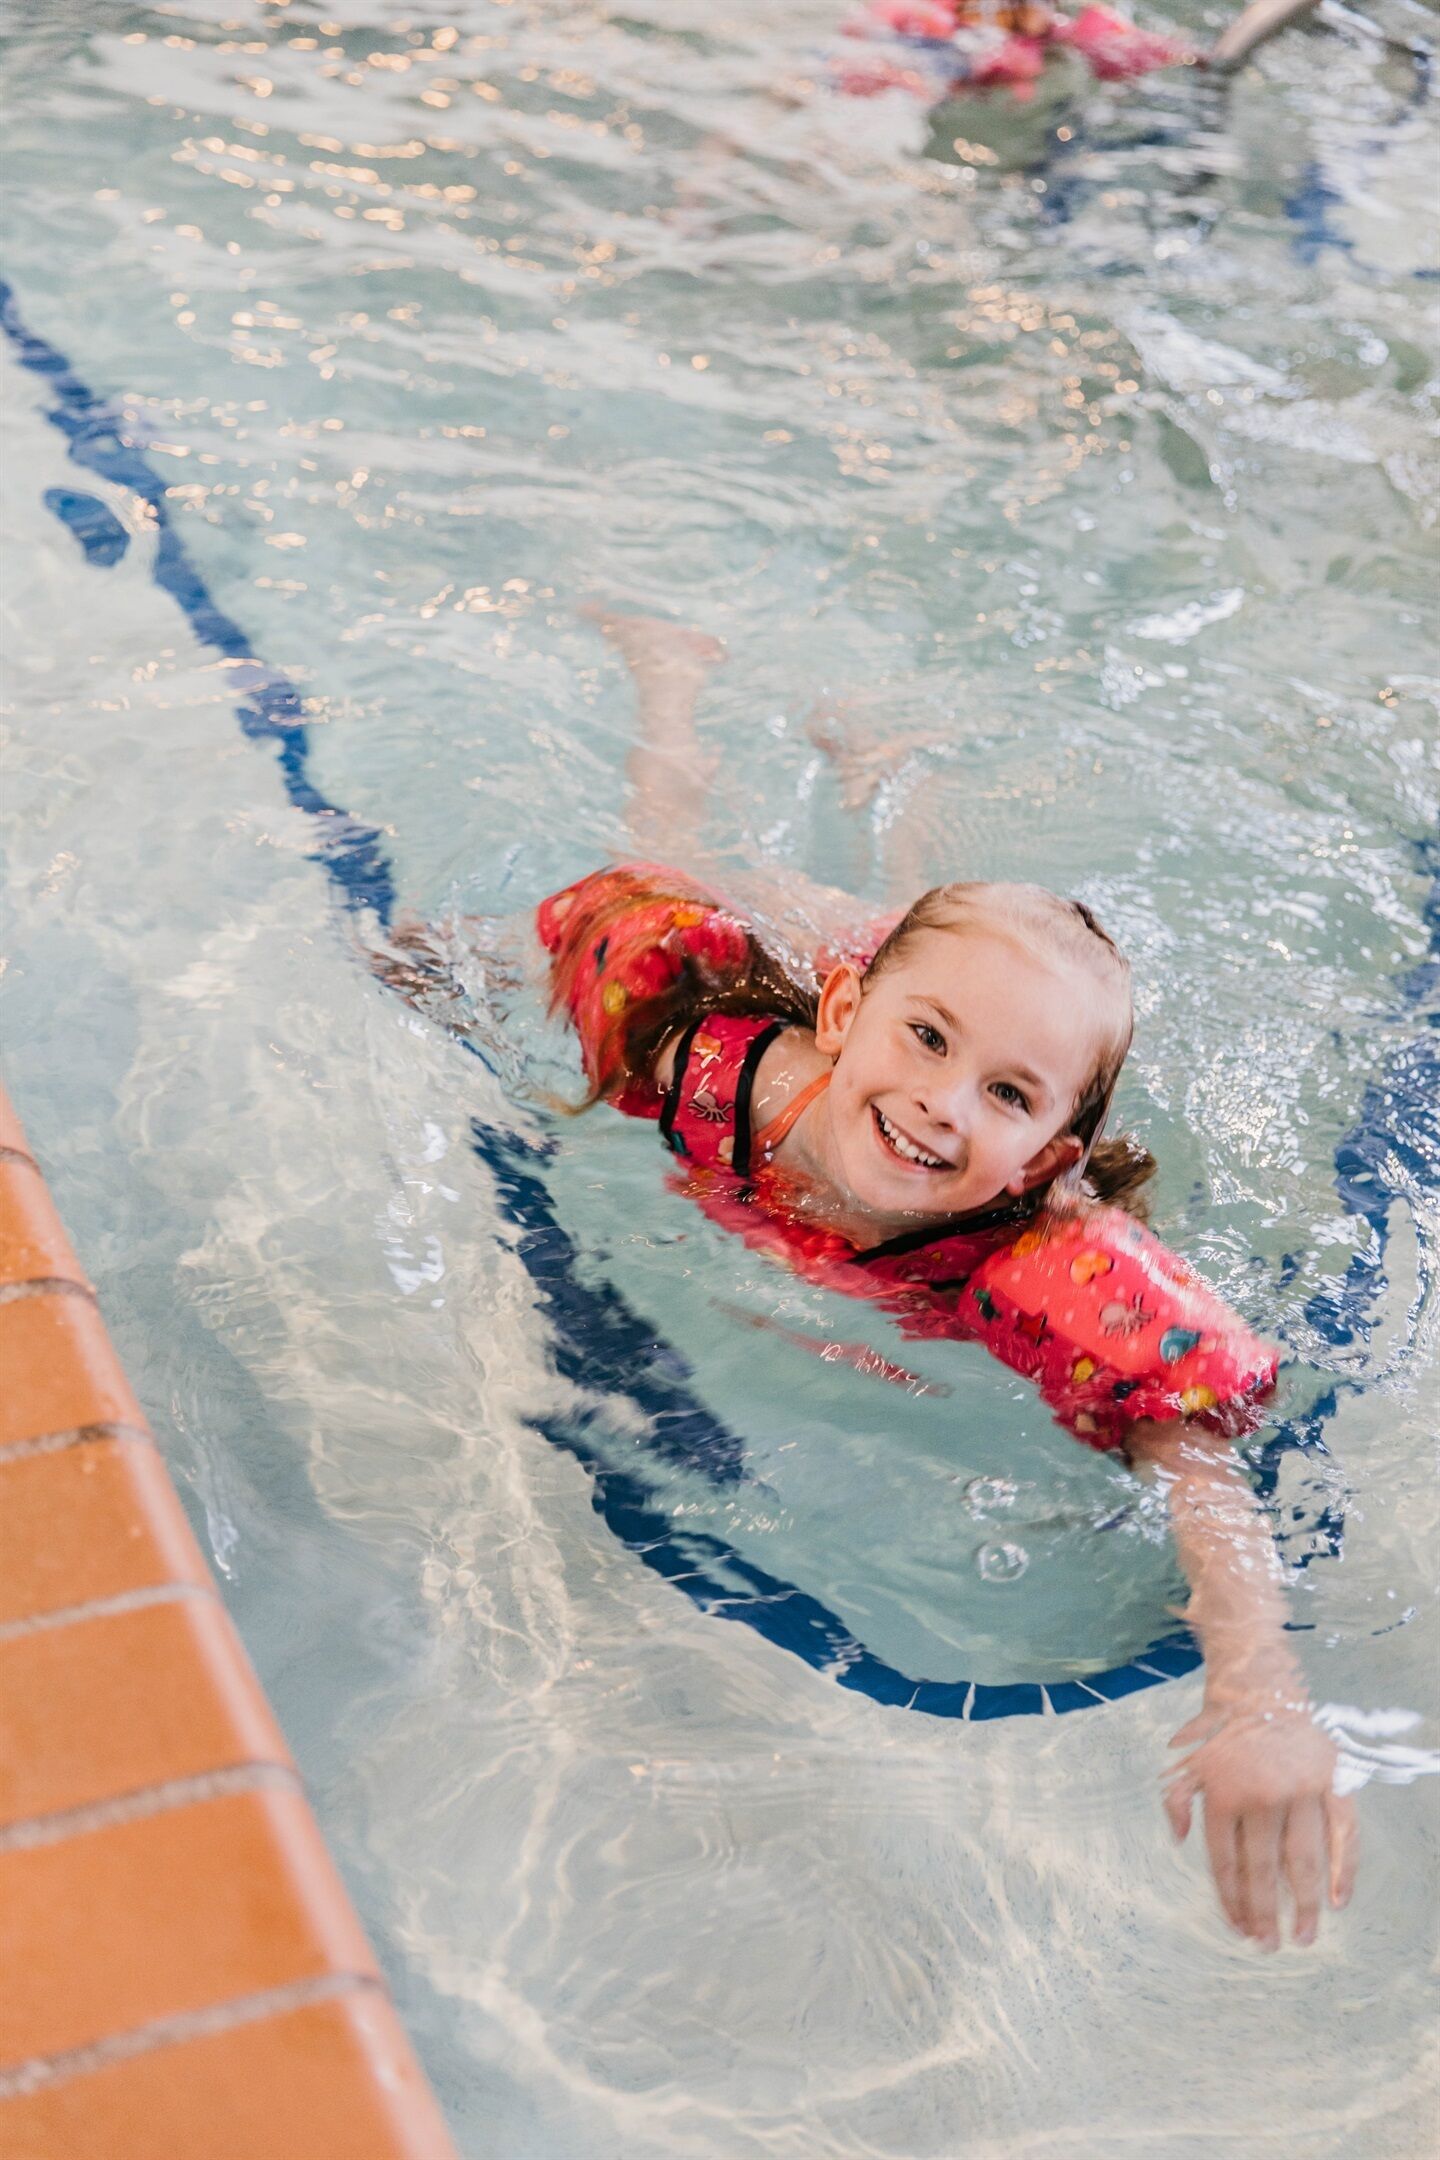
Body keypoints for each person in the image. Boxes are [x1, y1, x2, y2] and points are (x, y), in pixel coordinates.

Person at [383, 610, 1358, 1951]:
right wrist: (466, 971)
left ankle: (882, 759)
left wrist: (1259, 1696)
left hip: (903, 985)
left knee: (947, 944)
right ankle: (674, 676)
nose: (943, 1110)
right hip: (800, 955)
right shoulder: (710, 1063)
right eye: (928, 1045)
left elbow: (1192, 1455)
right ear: (840, 1022)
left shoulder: (1031, 1260)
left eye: (1006, 1096)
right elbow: (557, 970)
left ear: (1050, 1156)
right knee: (670, 858)